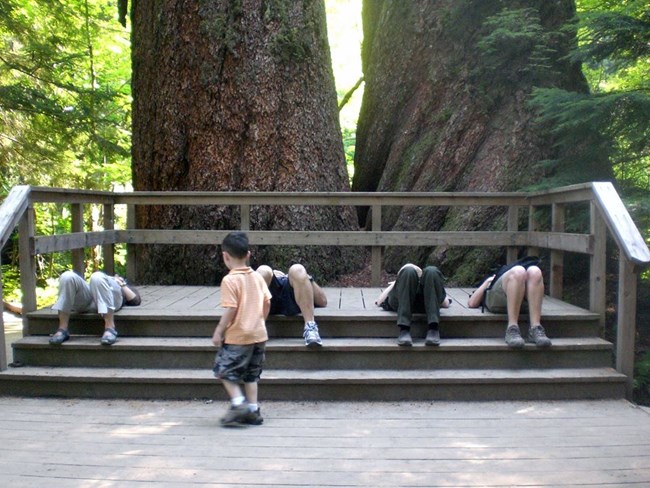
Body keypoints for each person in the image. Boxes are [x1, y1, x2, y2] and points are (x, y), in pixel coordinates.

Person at [212, 232, 272, 427]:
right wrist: (260, 320)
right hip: (259, 334)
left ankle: (239, 403)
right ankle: (253, 410)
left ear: (225, 256)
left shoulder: (229, 280)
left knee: (224, 370)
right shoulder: (257, 277)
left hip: (238, 336)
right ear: (248, 254)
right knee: (252, 375)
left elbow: (231, 308)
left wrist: (219, 330)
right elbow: (267, 302)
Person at [467, 258, 551, 348]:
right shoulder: (493, 279)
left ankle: (536, 327)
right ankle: (512, 328)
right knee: (518, 271)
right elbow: (472, 302)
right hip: (498, 299)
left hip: (525, 299)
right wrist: (489, 280)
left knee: (535, 271)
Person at [49, 270, 141, 346]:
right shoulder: (92, 283)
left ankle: (110, 328)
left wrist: (121, 283)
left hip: (111, 301)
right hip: (89, 300)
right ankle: (62, 330)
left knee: (97, 276)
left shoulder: (120, 284)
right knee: (67, 276)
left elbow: (135, 300)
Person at [375, 264, 451, 347]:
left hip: (425, 303)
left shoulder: (428, 281)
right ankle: (404, 329)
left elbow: (445, 303)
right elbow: (380, 301)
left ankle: (433, 328)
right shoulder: (403, 280)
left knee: (432, 271)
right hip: (402, 301)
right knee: (408, 271)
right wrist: (396, 283)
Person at [256, 264, 327, 348]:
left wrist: (306, 278)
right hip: (268, 299)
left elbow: (322, 301)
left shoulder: (298, 279)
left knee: (297, 269)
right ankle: (256, 328)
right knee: (263, 270)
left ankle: (310, 328)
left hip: (292, 298)